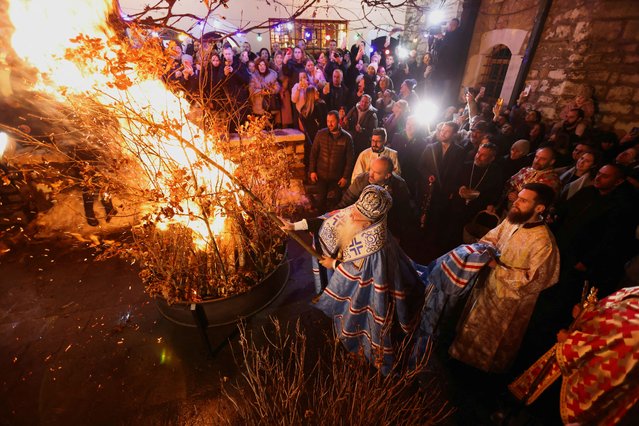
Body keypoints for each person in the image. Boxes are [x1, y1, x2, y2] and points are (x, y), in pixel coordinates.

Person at [281, 185, 426, 372]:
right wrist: (294, 226)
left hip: (361, 290)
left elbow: (360, 274)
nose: (353, 215)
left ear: (371, 222)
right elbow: (327, 220)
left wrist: (334, 264)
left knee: (359, 313)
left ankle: (356, 340)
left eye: (360, 216)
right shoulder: (356, 210)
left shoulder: (375, 246)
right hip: (340, 269)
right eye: (356, 209)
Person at [449, 183, 560, 373]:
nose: (516, 202)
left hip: (510, 302)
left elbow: (536, 280)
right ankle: (456, 361)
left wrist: (496, 268)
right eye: (518, 197)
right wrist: (480, 250)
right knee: (471, 325)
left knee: (492, 340)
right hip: (487, 287)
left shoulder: (544, 241)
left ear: (539, 208)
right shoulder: (512, 221)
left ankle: (476, 377)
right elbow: (491, 238)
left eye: (523, 200)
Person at [509, 286, 639, 425]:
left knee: (546, 414)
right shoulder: (635, 290)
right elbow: (608, 316)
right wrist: (584, 314)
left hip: (583, 373)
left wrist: (571, 341)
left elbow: (622, 345)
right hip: (572, 357)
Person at [338, 157, 413, 239]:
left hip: (386, 229)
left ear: (387, 175)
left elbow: (403, 213)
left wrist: (397, 235)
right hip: (359, 226)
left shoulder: (399, 186)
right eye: (371, 169)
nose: (370, 174)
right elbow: (346, 202)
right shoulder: (361, 180)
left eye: (376, 172)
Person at [308, 110, 355, 212]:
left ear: (338, 121)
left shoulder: (347, 138)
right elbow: (313, 153)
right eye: (328, 121)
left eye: (332, 121)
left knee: (335, 204)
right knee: (320, 202)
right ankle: (318, 223)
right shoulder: (321, 134)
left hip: (337, 178)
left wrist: (345, 177)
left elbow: (350, 160)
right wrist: (312, 171)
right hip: (321, 175)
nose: (329, 124)